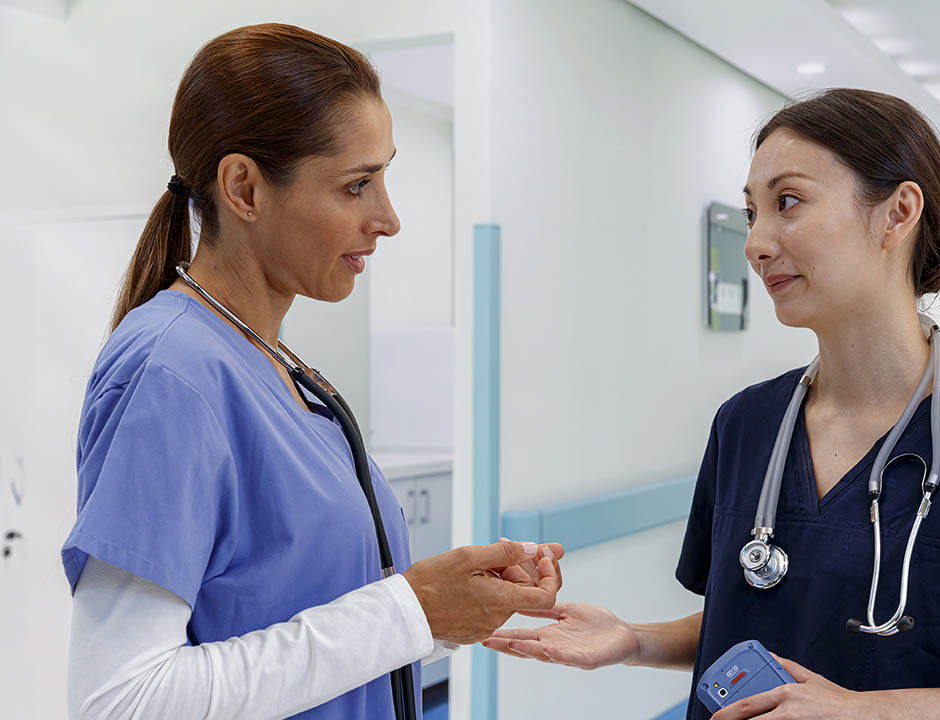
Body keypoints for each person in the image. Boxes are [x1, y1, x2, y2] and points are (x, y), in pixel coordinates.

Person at [484, 89, 940, 719]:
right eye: (751, 212)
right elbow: (759, 616)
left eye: (787, 202)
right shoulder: (747, 424)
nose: (756, 242)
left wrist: (868, 713)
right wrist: (636, 640)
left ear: (898, 213)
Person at [60, 24, 563, 720]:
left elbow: (307, 621)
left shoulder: (276, 362)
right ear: (244, 187)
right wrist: (409, 610)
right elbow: (121, 701)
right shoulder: (171, 372)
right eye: (357, 185)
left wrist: (448, 610)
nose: (388, 219)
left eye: (384, 177)